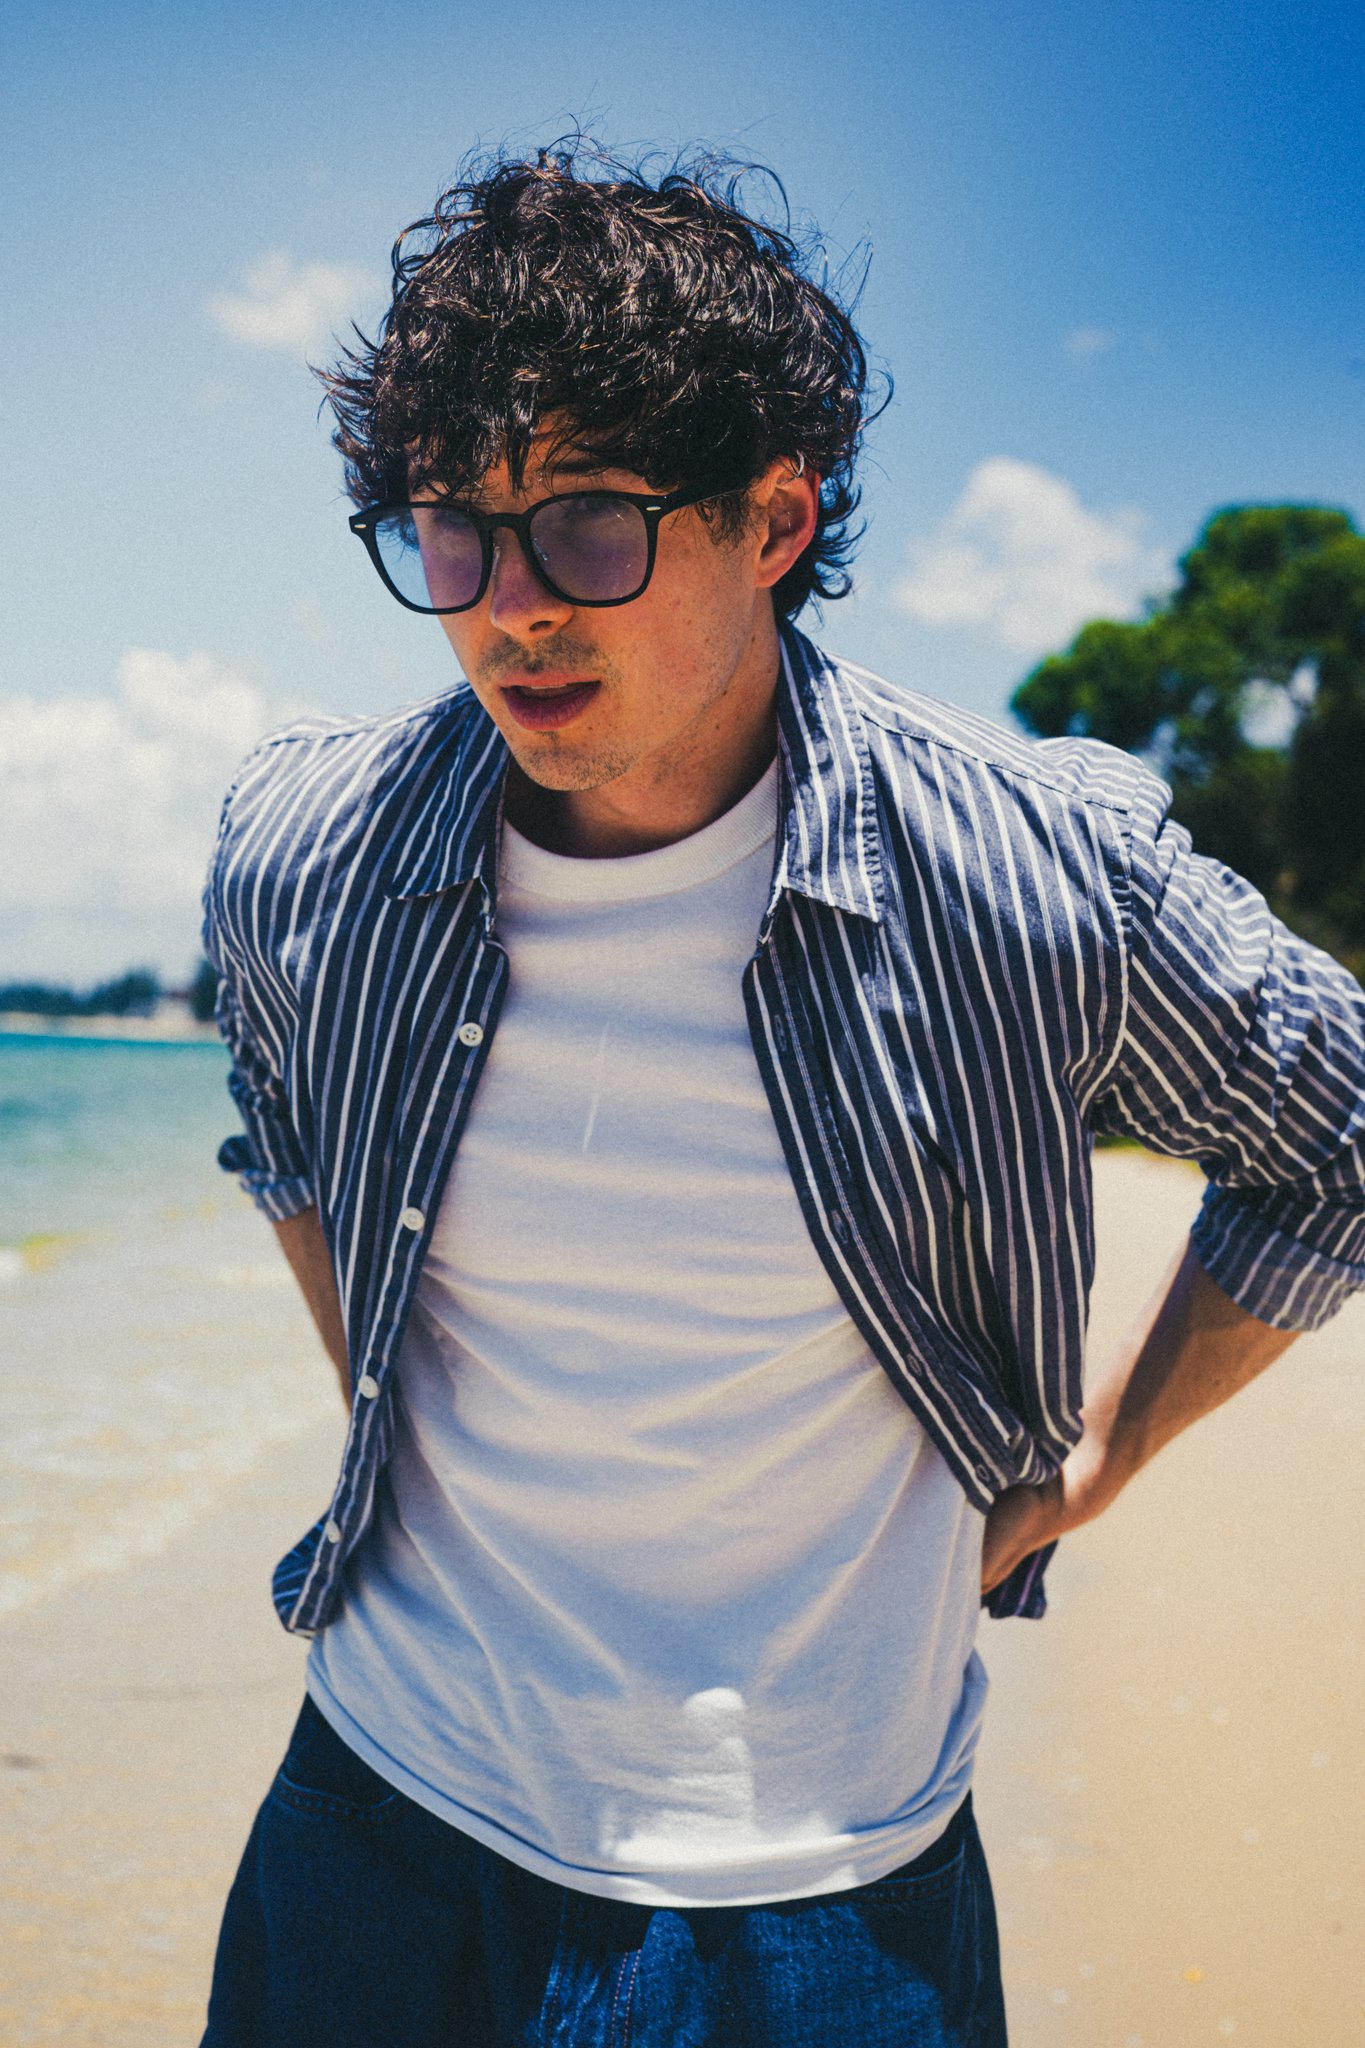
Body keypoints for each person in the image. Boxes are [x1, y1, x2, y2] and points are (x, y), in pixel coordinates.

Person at [199, 145, 1365, 2048]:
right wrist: (377, 1398)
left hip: (825, 1892)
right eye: (449, 533)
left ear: (773, 517)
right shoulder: (309, 847)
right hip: (375, 1815)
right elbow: (278, 1111)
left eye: (584, 525)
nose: (507, 610)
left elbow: (1336, 1132)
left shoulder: (1026, 873)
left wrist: (1101, 1456)